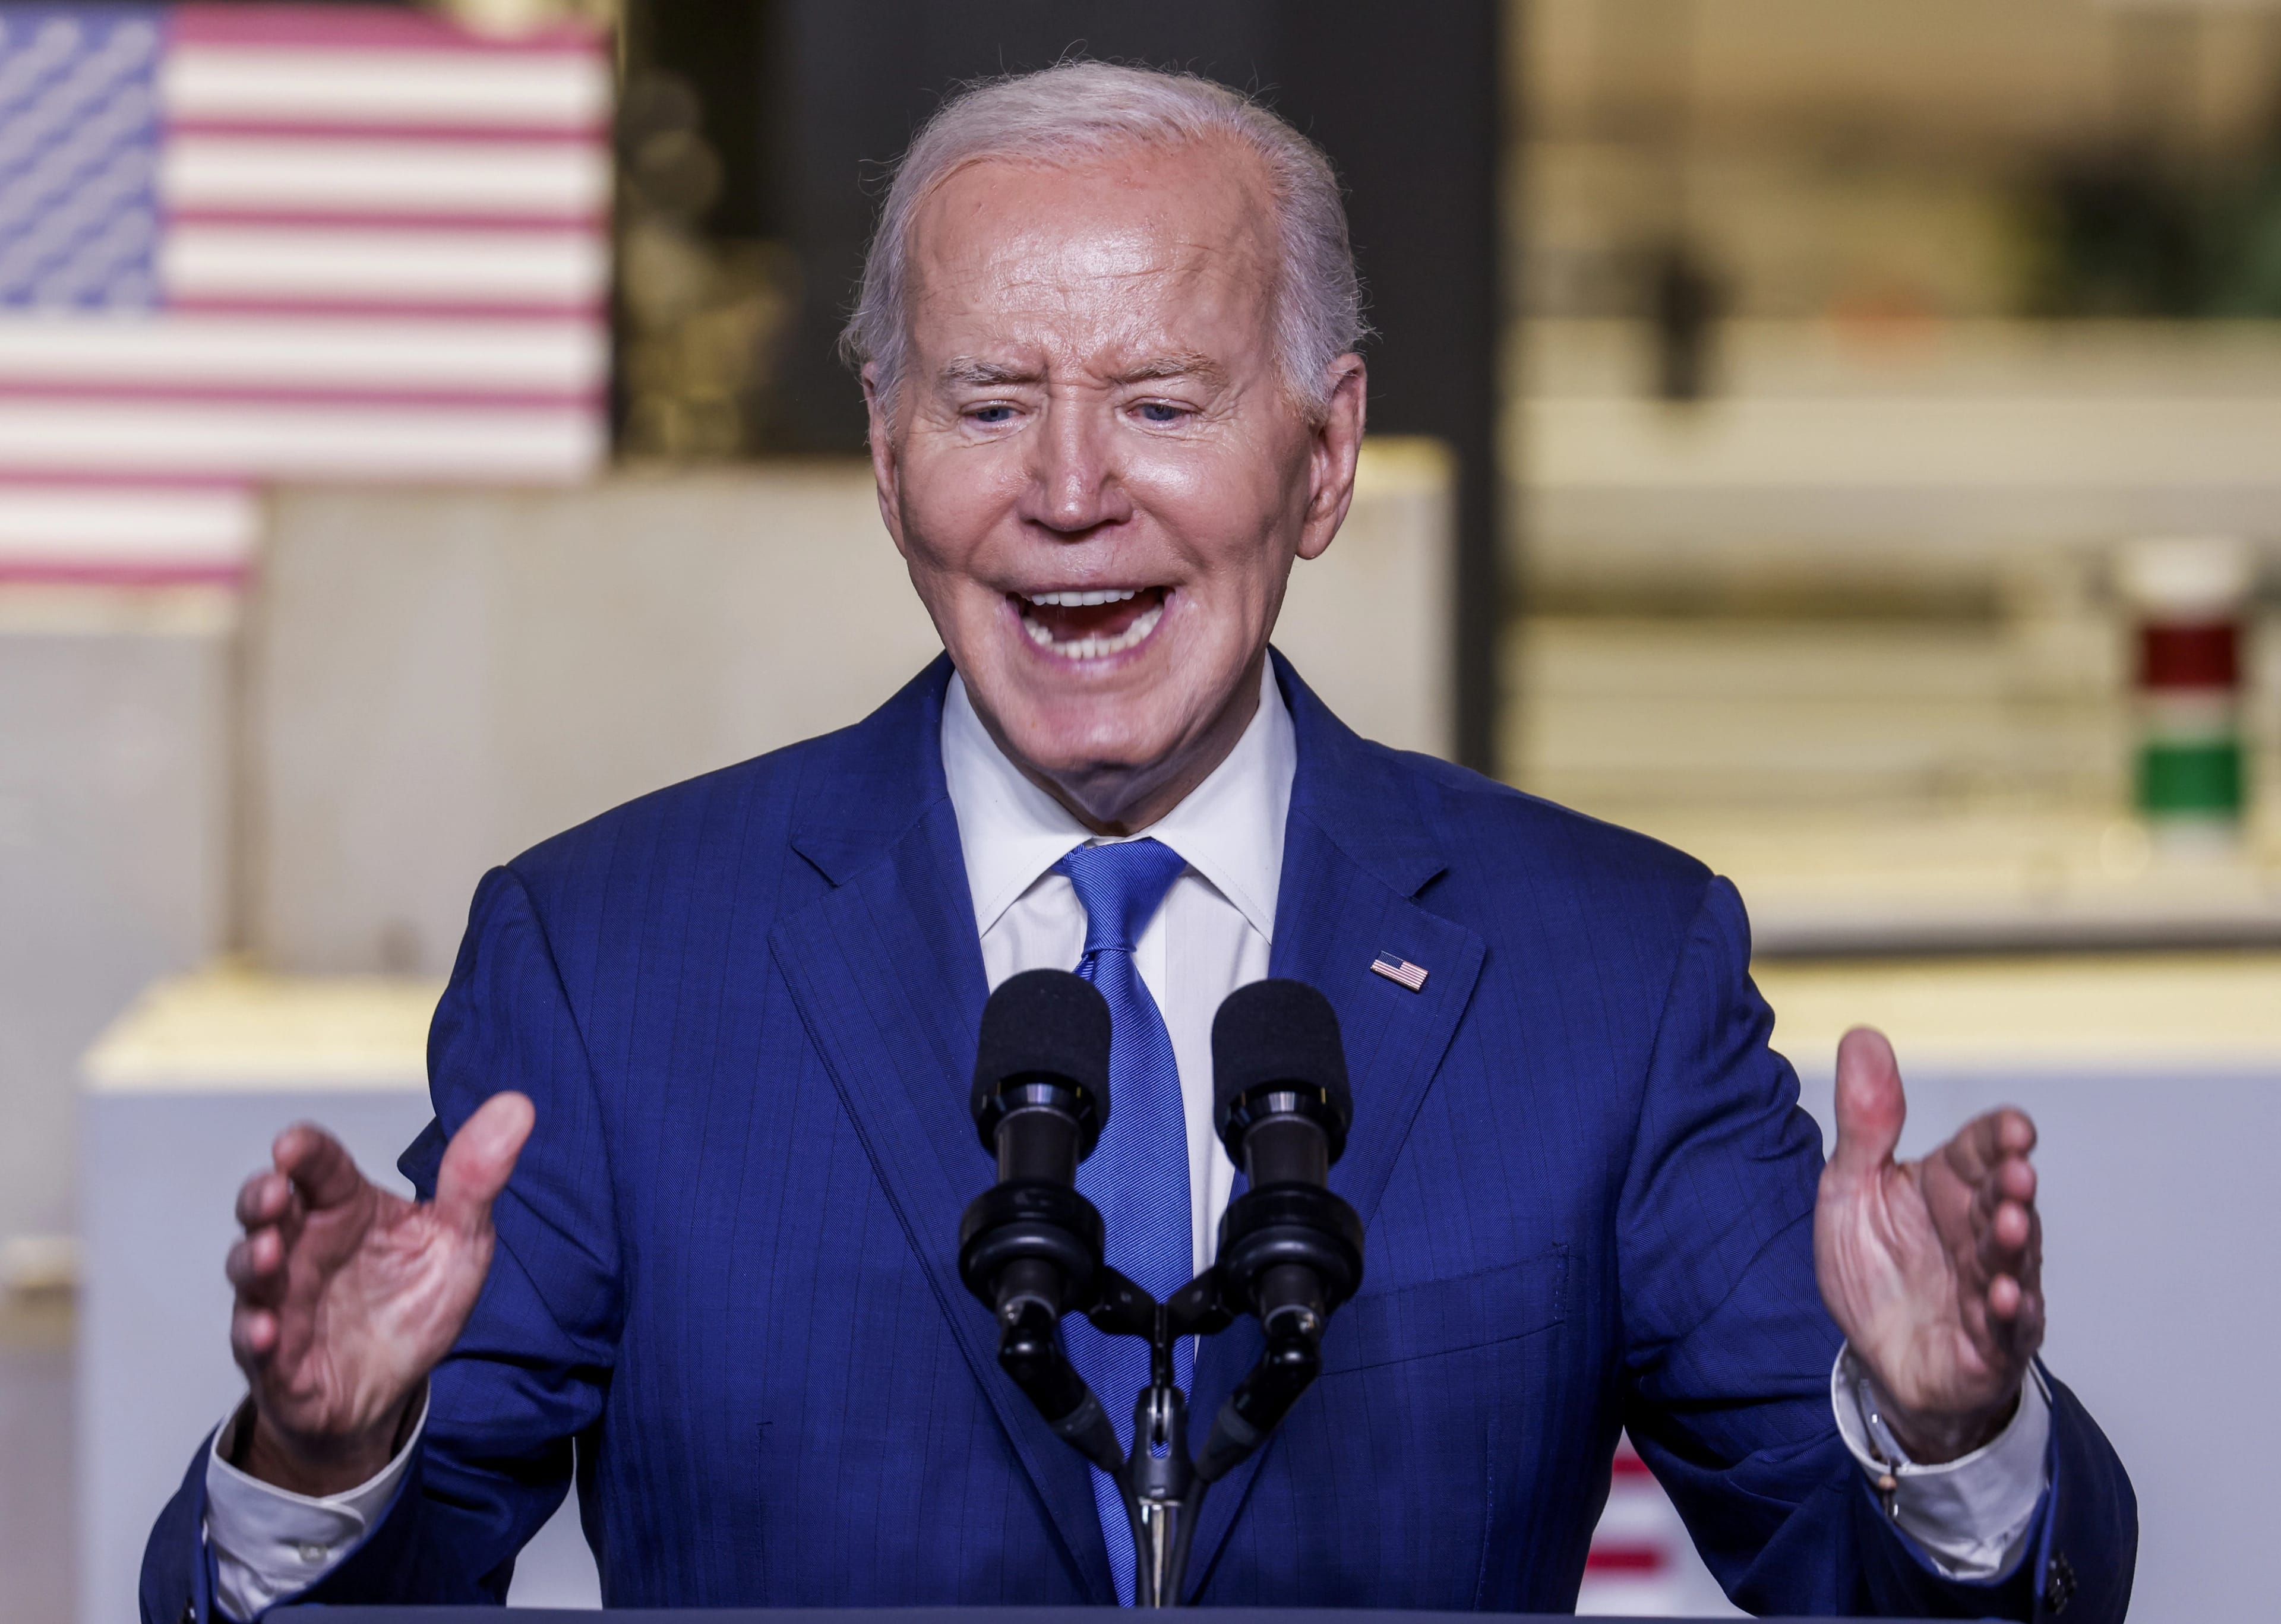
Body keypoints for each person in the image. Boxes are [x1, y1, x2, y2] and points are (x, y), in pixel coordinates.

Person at [142, 61, 2133, 1622]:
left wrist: (1945, 1428)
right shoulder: (614, 959)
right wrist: (329, 1458)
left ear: (1324, 455)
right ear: (885, 454)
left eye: (1163, 402)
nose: (1071, 494)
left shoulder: (1607, 966)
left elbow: (1903, 1587)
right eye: (991, 402)